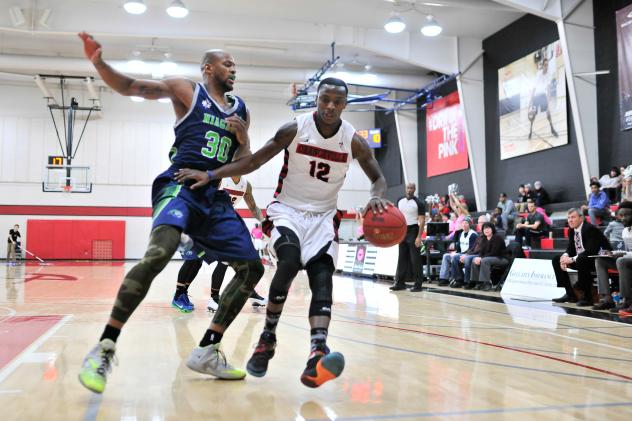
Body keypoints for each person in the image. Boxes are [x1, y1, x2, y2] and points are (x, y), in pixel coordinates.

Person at [76, 32, 265, 394]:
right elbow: (133, 86)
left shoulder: (241, 110)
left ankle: (209, 348)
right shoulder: (187, 91)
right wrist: (99, 63)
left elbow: (242, 168)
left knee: (252, 269)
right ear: (208, 68)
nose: (234, 70)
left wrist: (244, 142)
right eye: (228, 64)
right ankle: (104, 346)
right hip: (180, 186)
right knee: (160, 252)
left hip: (213, 195)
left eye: (235, 66)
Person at [177, 77, 389, 388]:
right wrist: (210, 174)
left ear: (345, 105)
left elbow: (378, 178)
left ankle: (317, 351)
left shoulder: (353, 140)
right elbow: (252, 162)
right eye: (325, 99)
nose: (330, 106)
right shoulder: (294, 128)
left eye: (337, 102)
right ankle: (267, 338)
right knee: (288, 261)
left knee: (322, 274)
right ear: (316, 99)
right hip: (286, 210)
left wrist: (376, 196)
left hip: (323, 217)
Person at [172, 176, 267, 313]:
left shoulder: (246, 185)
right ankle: (180, 294)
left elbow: (253, 207)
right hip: (201, 221)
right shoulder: (221, 178)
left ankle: (240, 294)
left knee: (233, 260)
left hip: (219, 222)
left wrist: (265, 222)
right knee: (194, 260)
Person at [551, 208, 611, 306]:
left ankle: (587, 297)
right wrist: (565, 256)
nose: (570, 220)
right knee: (557, 259)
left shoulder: (590, 229)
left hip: (597, 259)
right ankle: (570, 294)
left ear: (581, 218)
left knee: (581, 259)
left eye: (573, 217)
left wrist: (572, 259)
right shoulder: (571, 230)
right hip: (581, 258)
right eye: (569, 218)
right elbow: (570, 248)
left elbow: (591, 250)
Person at [593, 201, 632, 311]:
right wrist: (612, 253)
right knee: (600, 260)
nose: (623, 218)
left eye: (627, 215)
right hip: (628, 260)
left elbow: (626, 254)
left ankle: (627, 300)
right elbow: (628, 251)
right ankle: (607, 299)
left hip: (625, 260)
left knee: (621, 261)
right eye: (621, 215)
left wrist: (623, 254)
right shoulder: (625, 231)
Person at [391, 183, 426, 292]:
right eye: (408, 187)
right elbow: (396, 216)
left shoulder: (419, 202)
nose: (409, 190)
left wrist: (419, 237)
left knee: (415, 259)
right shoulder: (400, 200)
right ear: (406, 189)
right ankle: (400, 283)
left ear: (414, 189)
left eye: (411, 188)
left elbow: (422, 221)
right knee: (401, 258)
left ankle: (418, 284)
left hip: (413, 230)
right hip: (402, 230)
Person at [437, 217, 477, 286]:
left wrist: (461, 254)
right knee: (446, 256)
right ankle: (444, 278)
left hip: (469, 254)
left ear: (470, 225)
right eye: (463, 223)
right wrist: (455, 252)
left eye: (466, 223)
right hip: (461, 253)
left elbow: (472, 249)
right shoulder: (461, 234)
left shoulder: (473, 234)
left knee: (455, 257)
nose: (464, 225)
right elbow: (459, 248)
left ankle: (458, 279)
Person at [469, 222, 509, 291]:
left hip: (501, 258)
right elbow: (482, 252)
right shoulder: (484, 239)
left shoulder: (497, 238)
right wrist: (478, 258)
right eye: (484, 228)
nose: (486, 230)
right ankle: (478, 283)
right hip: (490, 258)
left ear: (492, 229)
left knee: (484, 260)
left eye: (488, 228)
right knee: (474, 260)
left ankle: (487, 283)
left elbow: (494, 252)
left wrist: (481, 258)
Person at [527, 57, 559, 140]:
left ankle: (552, 129)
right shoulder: (539, 73)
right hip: (536, 96)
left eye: (547, 65)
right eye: (545, 65)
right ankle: (530, 131)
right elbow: (534, 87)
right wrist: (531, 99)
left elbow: (548, 87)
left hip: (543, 96)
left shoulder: (549, 74)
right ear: (543, 66)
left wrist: (549, 98)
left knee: (548, 113)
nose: (546, 66)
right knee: (533, 115)